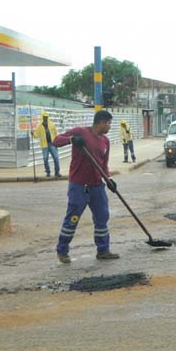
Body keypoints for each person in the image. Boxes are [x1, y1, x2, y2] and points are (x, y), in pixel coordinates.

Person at [52, 110, 119, 264]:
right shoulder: (80, 132)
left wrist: (109, 180)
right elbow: (56, 141)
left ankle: (103, 250)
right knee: (73, 218)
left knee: (102, 217)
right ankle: (62, 251)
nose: (109, 126)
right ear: (101, 122)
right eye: (108, 123)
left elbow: (103, 165)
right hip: (79, 186)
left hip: (97, 186)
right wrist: (71, 139)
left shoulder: (105, 141)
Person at [32, 111, 61, 177]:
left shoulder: (52, 125)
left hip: (52, 144)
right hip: (44, 145)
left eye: (46, 117)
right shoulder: (39, 126)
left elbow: (56, 134)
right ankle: (48, 172)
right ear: (42, 117)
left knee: (56, 158)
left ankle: (57, 172)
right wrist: (33, 134)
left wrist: (57, 142)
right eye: (44, 117)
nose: (45, 118)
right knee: (45, 159)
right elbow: (36, 135)